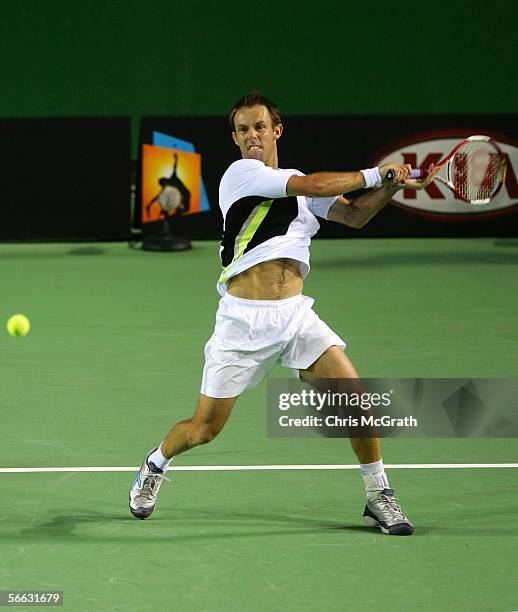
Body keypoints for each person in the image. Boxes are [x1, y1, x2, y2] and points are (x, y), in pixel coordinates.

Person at [129, 91, 438, 535]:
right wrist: (376, 173)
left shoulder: (298, 189)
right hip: (242, 321)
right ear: (235, 139)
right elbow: (309, 185)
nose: (251, 136)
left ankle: (378, 495)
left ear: (277, 130)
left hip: (294, 317)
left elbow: (353, 217)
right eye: (242, 130)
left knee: (357, 401)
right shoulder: (242, 175)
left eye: (259, 127)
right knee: (203, 429)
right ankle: (155, 464)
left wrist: (389, 187)